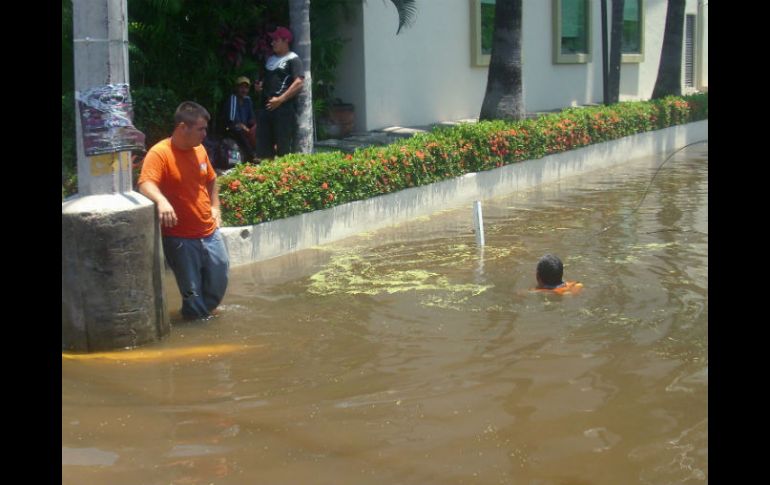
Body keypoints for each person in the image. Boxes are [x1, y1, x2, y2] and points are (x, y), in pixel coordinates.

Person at [137, 101, 230, 320]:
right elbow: (145, 183)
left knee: (220, 276)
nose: (205, 134)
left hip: (209, 231)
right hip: (180, 238)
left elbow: (211, 180)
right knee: (191, 291)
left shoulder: (200, 150)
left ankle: (201, 315)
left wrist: (216, 208)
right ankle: (198, 327)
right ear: (182, 128)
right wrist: (161, 201)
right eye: (201, 129)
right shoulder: (160, 153)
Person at [254, 26, 305, 159]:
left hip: (283, 110)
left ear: (285, 41)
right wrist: (259, 86)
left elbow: (299, 82)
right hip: (266, 108)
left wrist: (280, 99)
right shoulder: (270, 60)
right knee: (263, 147)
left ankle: (284, 175)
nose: (273, 43)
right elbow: (264, 80)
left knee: (284, 147)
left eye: (276, 40)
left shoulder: (293, 59)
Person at [222, 76, 257, 162]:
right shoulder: (233, 99)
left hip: (244, 128)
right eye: (241, 87)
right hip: (231, 128)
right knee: (239, 130)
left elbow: (251, 119)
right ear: (236, 88)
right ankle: (252, 156)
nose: (244, 90)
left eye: (246, 88)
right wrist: (246, 129)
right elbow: (232, 120)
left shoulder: (248, 100)